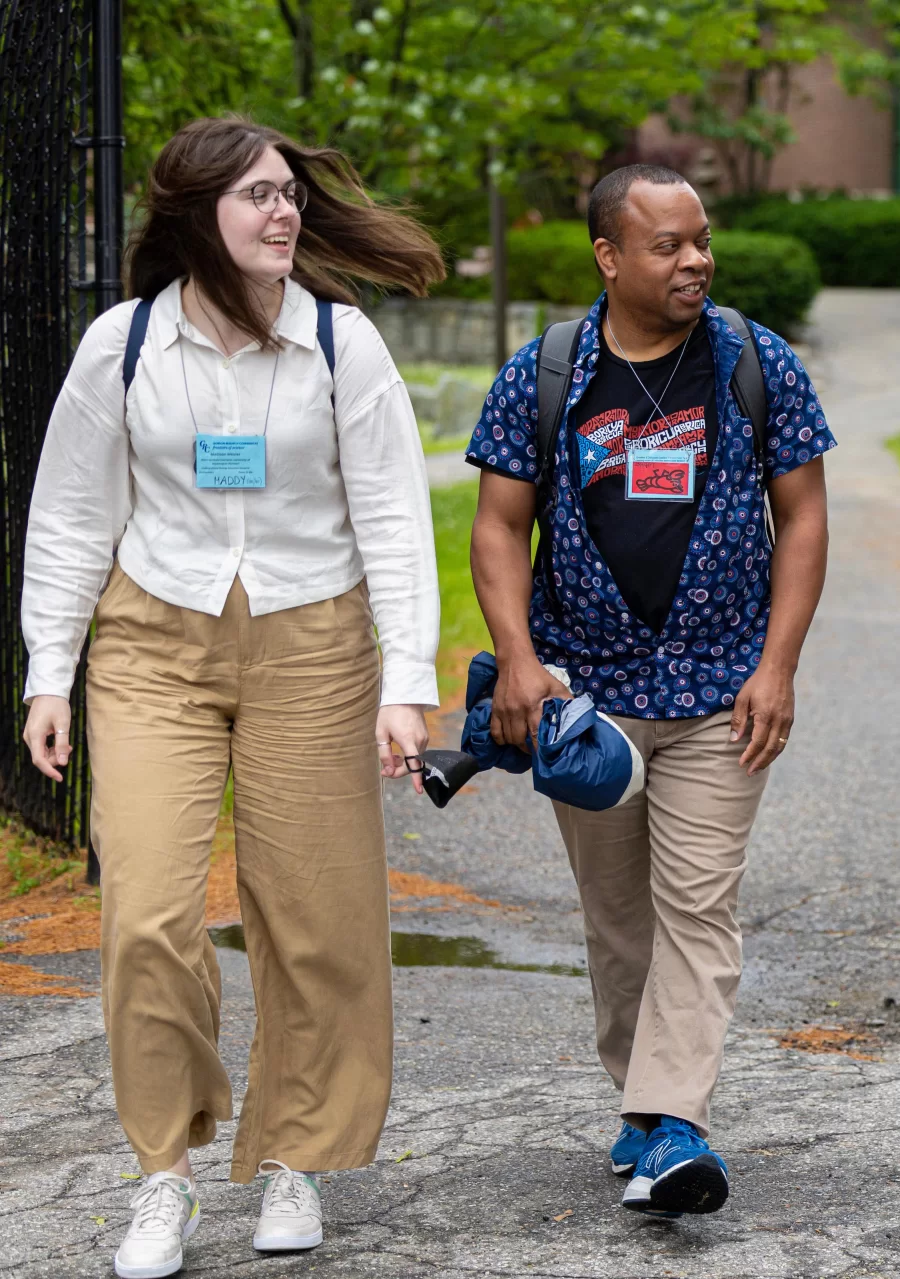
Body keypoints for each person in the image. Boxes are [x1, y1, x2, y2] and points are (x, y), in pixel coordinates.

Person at [20, 117, 443, 1277]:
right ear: (198, 215)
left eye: (291, 194)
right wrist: (47, 668)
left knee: (314, 914)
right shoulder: (124, 346)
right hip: (153, 640)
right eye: (258, 195)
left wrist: (406, 679)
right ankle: (164, 1173)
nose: (284, 213)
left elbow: (398, 519)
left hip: (313, 640)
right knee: (147, 913)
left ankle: (293, 1155)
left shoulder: (342, 347)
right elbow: (67, 515)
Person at [465, 164, 832, 1217]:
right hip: (587, 701)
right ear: (608, 257)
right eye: (667, 244)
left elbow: (802, 518)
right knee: (619, 921)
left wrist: (778, 663)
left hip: (723, 693)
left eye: (700, 239)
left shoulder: (754, 362)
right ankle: (643, 1114)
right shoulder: (547, 373)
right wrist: (519, 661)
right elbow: (496, 526)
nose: (694, 260)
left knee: (698, 904)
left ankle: (675, 1121)